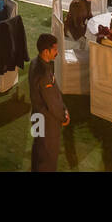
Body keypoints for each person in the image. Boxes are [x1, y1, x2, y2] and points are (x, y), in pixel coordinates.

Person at [29, 33, 67, 172]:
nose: (57, 52)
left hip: (36, 116)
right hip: (47, 122)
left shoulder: (35, 63)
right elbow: (52, 103)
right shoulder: (44, 74)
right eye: (55, 49)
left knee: (38, 148)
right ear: (46, 51)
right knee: (48, 156)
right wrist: (63, 116)